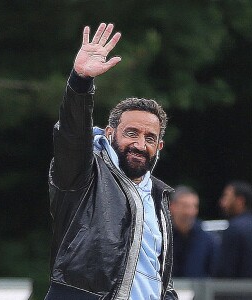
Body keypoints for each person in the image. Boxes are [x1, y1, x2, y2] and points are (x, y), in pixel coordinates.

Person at [44, 23, 178, 300]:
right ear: (109, 133)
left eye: (149, 138)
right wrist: (80, 82)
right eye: (131, 133)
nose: (140, 144)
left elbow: (157, 275)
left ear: (159, 146)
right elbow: (71, 136)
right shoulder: (83, 174)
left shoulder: (157, 195)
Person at [214, 180, 252, 278]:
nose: (222, 203)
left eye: (226, 197)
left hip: (235, 292)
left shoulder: (234, 229)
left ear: (240, 200)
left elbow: (224, 272)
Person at [170, 186, 217, 278]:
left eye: (194, 206)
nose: (190, 212)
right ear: (172, 207)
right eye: (185, 206)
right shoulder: (159, 238)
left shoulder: (208, 241)